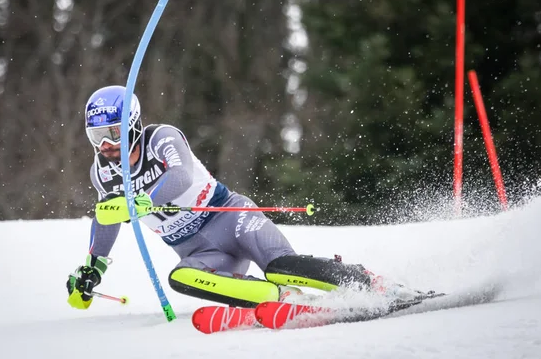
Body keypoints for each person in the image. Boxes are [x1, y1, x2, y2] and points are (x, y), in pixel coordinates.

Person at [66, 85, 424, 310]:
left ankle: (368, 282)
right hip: (200, 252)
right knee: (182, 279)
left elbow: (181, 176)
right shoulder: (102, 172)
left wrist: (144, 198)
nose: (107, 145)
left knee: (281, 267)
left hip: (232, 219)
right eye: (98, 136)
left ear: (132, 123)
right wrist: (93, 267)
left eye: (113, 133)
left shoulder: (162, 137)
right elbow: (105, 217)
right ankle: (283, 302)